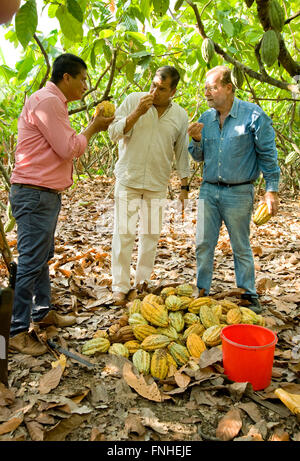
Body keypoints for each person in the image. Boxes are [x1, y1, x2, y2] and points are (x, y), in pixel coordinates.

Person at [8, 53, 114, 355]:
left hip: (42, 193)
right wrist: (93, 127)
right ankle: (16, 330)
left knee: (41, 255)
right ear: (65, 77)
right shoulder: (49, 102)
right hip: (34, 193)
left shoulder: (53, 102)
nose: (85, 85)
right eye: (82, 79)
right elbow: (69, 148)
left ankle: (42, 312)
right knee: (31, 260)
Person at [188, 65, 280, 313]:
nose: (207, 93)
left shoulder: (253, 116)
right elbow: (199, 157)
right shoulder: (206, 119)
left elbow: (268, 156)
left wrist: (271, 189)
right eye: (206, 88)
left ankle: (248, 295)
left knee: (240, 245)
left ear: (229, 88)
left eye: (213, 87)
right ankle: (202, 290)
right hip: (209, 190)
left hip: (239, 191)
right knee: (204, 243)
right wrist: (195, 140)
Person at [108, 66, 190, 304]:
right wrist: (136, 113)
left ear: (173, 91)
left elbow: (181, 151)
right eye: (153, 85)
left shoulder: (180, 115)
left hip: (157, 183)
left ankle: (141, 284)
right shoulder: (134, 100)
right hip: (128, 179)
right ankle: (120, 287)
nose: (154, 91)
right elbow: (113, 132)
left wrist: (184, 185)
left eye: (162, 89)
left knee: (150, 236)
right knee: (123, 233)